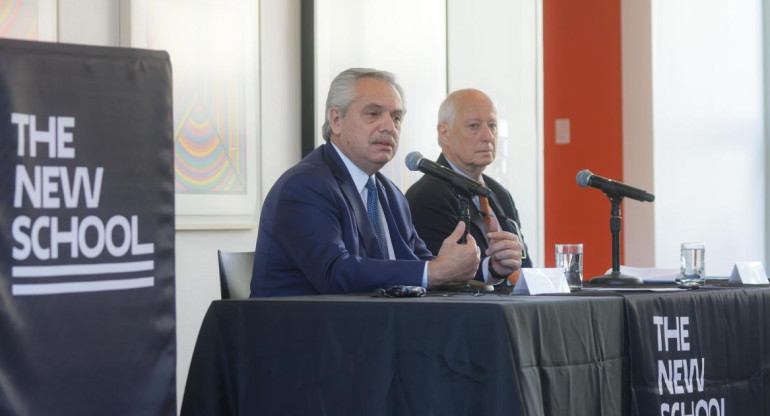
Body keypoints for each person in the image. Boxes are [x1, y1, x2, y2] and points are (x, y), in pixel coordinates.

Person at [250, 68, 480, 297]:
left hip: (375, 324)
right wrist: (436, 270)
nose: (389, 126)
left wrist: (479, 268)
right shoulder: (305, 186)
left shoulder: (390, 193)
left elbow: (419, 263)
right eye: (372, 114)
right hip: (304, 329)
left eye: (396, 117)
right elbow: (334, 273)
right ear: (336, 120)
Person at [406, 89, 532, 285]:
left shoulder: (498, 193)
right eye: (474, 126)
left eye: (492, 125)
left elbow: (524, 265)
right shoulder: (428, 196)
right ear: (444, 133)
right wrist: (493, 269)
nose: (488, 136)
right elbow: (444, 276)